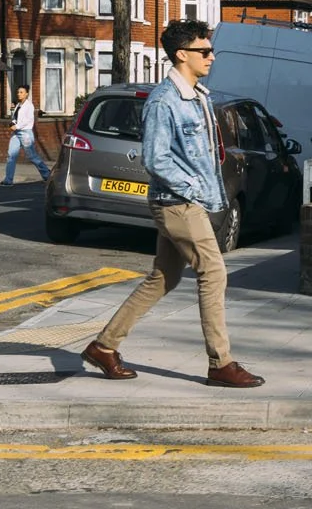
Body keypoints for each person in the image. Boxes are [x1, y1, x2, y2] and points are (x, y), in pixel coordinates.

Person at [82, 21, 264, 389]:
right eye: (204, 51)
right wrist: (194, 189)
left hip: (187, 200)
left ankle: (104, 346)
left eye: (211, 50)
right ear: (182, 55)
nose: (211, 56)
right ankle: (220, 362)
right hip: (177, 202)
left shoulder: (198, 95)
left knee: (163, 277)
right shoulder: (165, 101)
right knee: (214, 273)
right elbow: (155, 159)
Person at [3, 85, 51, 186]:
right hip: (16, 134)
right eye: (18, 92)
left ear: (27, 94)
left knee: (32, 156)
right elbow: (16, 117)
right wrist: (13, 123)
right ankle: (8, 180)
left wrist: (17, 126)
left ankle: (47, 175)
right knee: (11, 155)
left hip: (25, 133)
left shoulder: (29, 105)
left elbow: (28, 120)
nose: (19, 94)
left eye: (21, 92)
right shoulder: (18, 105)